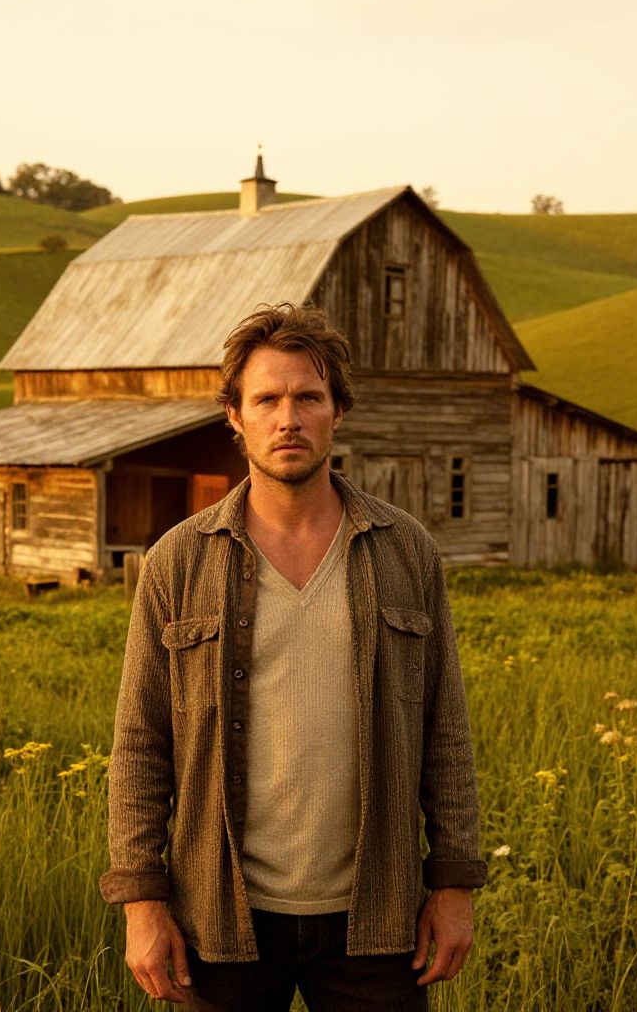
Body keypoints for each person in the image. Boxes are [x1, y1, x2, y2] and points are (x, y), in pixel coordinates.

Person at [100, 302, 487, 1011]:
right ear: (234, 415)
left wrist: (454, 886)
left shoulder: (405, 553)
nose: (289, 417)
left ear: (338, 411)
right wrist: (141, 902)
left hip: (377, 920)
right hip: (219, 920)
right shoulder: (178, 563)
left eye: (309, 397)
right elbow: (139, 745)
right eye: (267, 399)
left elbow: (446, 732)